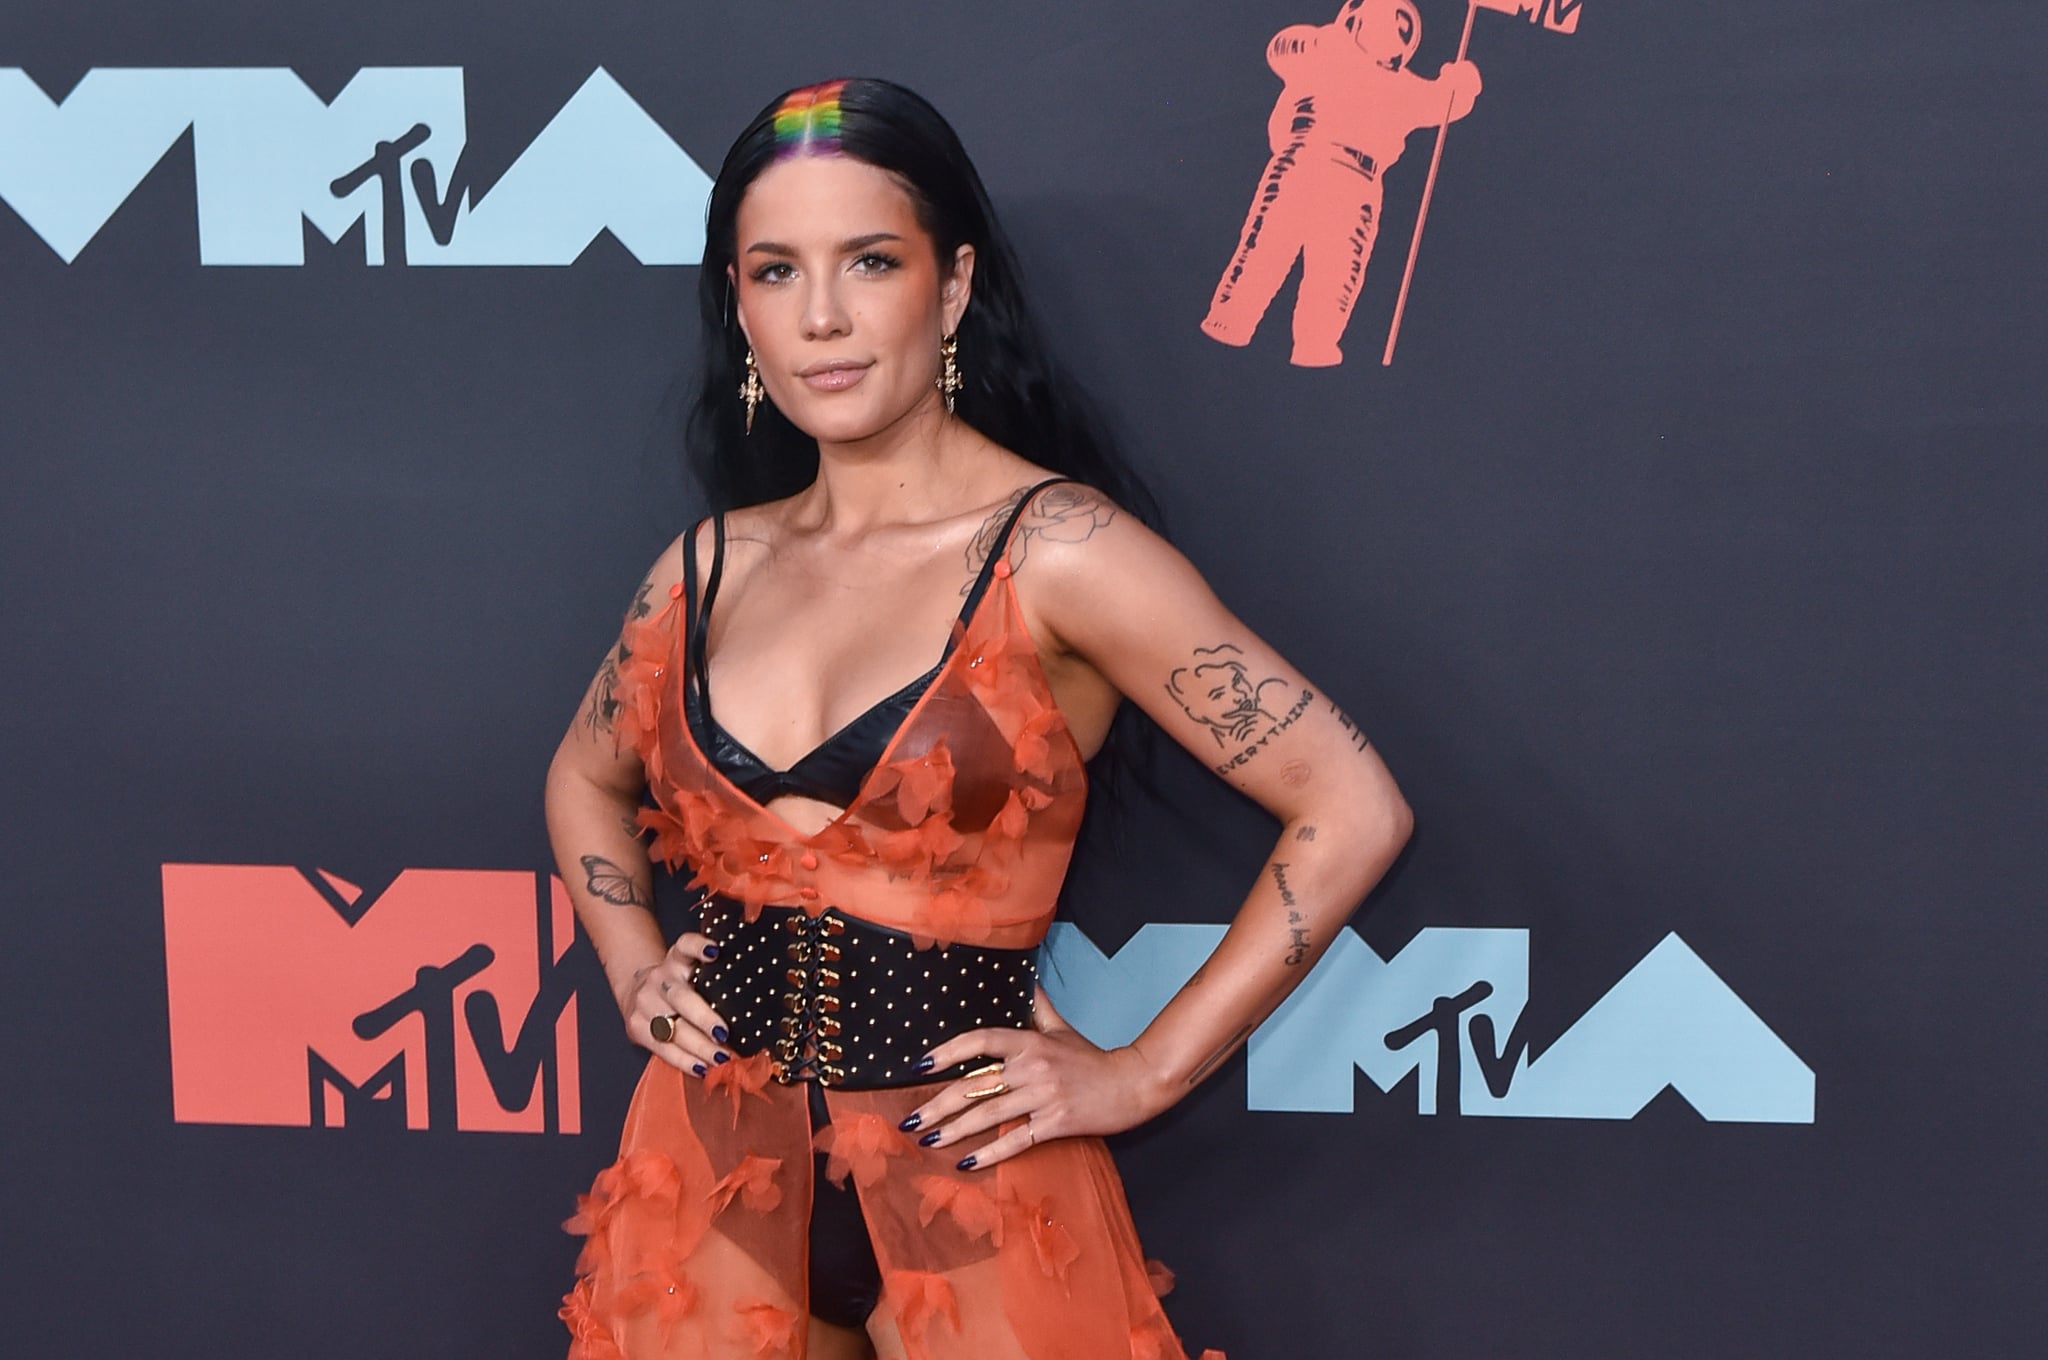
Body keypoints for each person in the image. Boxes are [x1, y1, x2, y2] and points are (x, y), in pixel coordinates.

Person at [545, 77, 1412, 1360]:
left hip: (974, 1180)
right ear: (738, 305)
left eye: (869, 262)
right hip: (704, 1180)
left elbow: (1349, 804)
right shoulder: (702, 569)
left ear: (950, 288)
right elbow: (581, 778)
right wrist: (632, 967)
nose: (823, 317)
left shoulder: (1059, 551)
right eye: (775, 270)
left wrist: (1143, 1072)